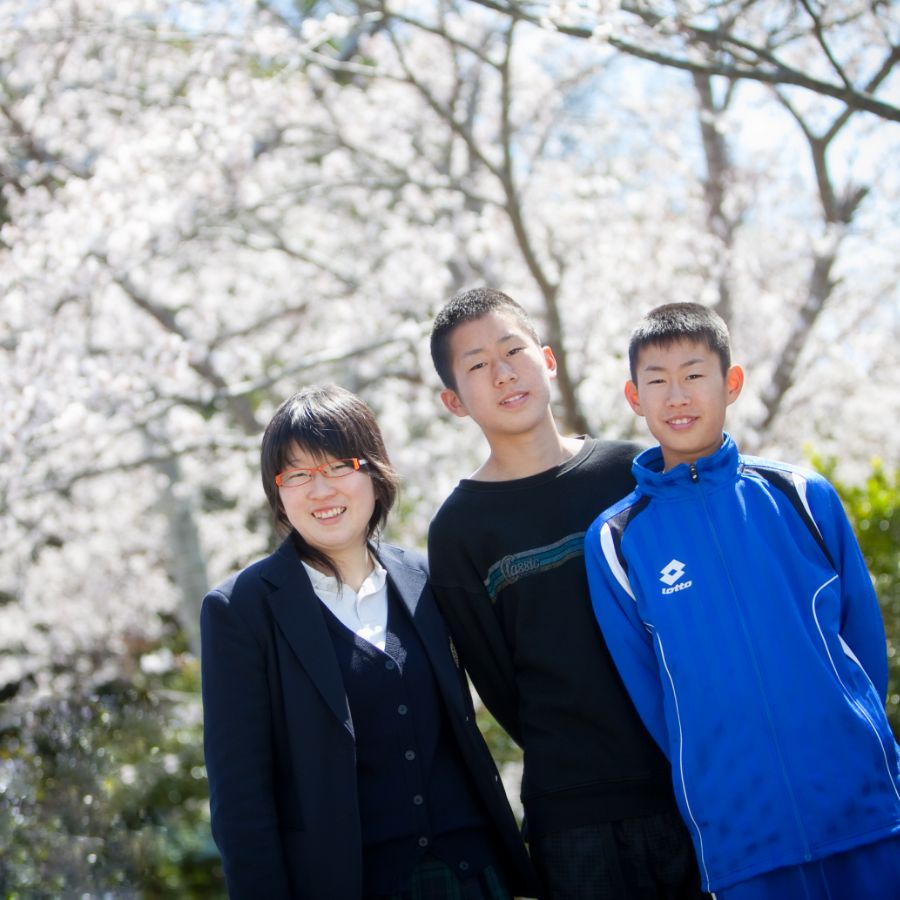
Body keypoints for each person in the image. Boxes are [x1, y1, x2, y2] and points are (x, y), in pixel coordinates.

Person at [584, 302, 900, 899]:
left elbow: (861, 641)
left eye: (694, 375)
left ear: (731, 383)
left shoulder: (801, 494)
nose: (676, 396)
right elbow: (651, 691)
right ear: (634, 397)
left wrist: (849, 739)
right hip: (740, 836)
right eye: (657, 381)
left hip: (863, 811)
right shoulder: (618, 539)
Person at [200, 384, 536, 899]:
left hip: (472, 874)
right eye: (298, 475)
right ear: (278, 492)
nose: (320, 490)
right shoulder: (241, 611)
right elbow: (240, 798)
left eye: (339, 467)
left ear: (374, 472)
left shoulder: (426, 579)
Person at [427, 288, 704, 899]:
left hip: (689, 783)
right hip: (571, 815)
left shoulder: (634, 472)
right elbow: (497, 681)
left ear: (547, 359)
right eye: (476, 366)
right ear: (453, 401)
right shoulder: (459, 531)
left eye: (513, 351)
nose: (503, 374)